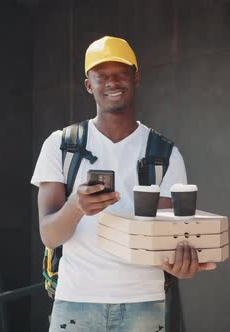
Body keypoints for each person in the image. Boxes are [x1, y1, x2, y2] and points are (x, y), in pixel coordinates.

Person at [31, 36, 216, 332]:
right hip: (75, 303)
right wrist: (76, 206)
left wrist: (181, 262)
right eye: (101, 75)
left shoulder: (165, 154)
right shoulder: (61, 145)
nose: (112, 82)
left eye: (121, 73)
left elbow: (167, 243)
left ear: (136, 78)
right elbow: (49, 235)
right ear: (88, 84)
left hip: (143, 304)